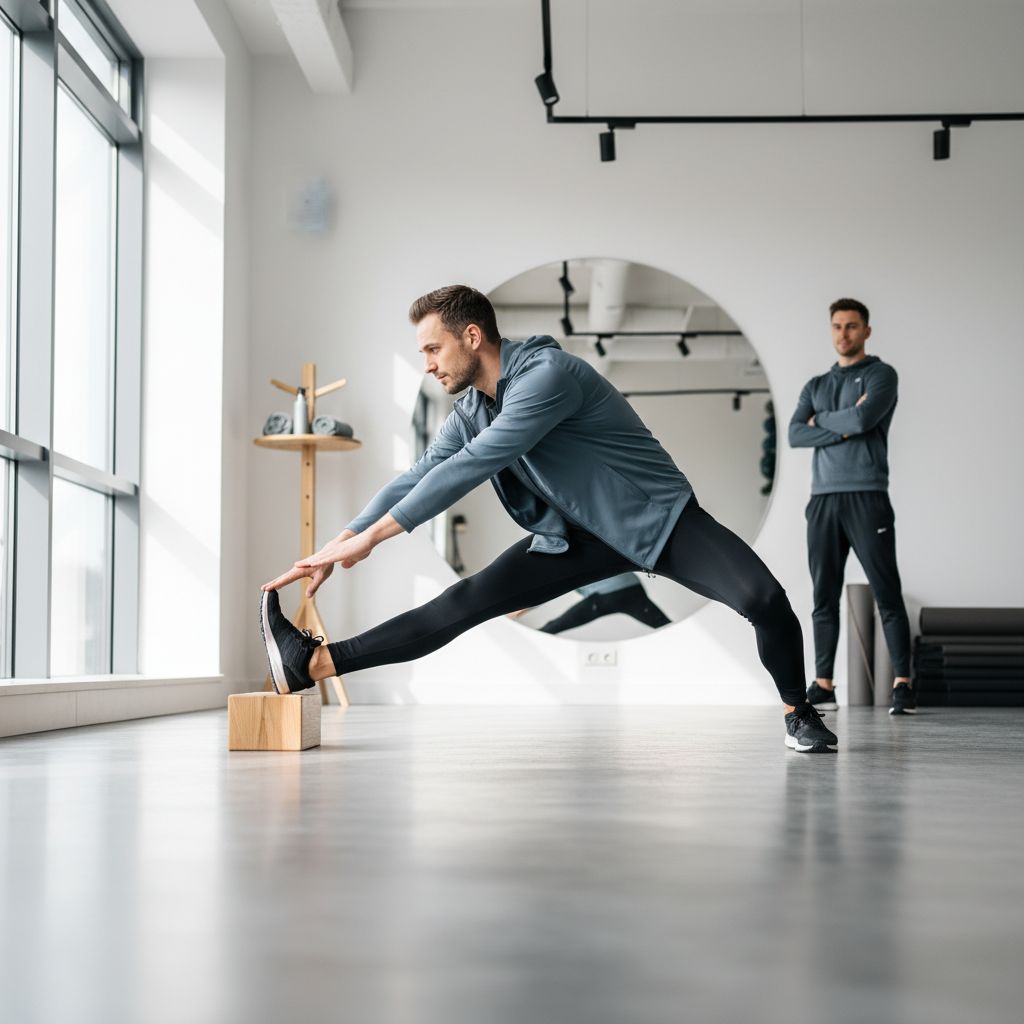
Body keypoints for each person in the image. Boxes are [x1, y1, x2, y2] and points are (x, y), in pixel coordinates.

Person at [260, 285, 838, 752]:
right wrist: (344, 538)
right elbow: (422, 472)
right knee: (463, 603)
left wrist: (373, 541)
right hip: (573, 538)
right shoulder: (472, 408)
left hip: (657, 520)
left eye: (433, 349)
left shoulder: (548, 375)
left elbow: (477, 461)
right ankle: (312, 661)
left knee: (765, 600)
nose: (428, 364)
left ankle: (798, 710)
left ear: (472, 335)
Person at [788, 298, 914, 715]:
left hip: (867, 495)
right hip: (822, 499)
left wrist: (821, 422)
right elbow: (793, 435)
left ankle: (903, 683)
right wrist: (843, 423)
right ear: (831, 331)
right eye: (838, 326)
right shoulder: (815, 385)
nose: (844, 334)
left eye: (852, 326)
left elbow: (863, 423)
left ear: (867, 331)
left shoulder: (881, 375)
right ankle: (823, 684)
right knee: (823, 595)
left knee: (886, 591)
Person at [537, 573, 671, 634]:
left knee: (557, 625)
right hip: (632, 585)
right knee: (664, 625)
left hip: (609, 592)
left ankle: (534, 638)